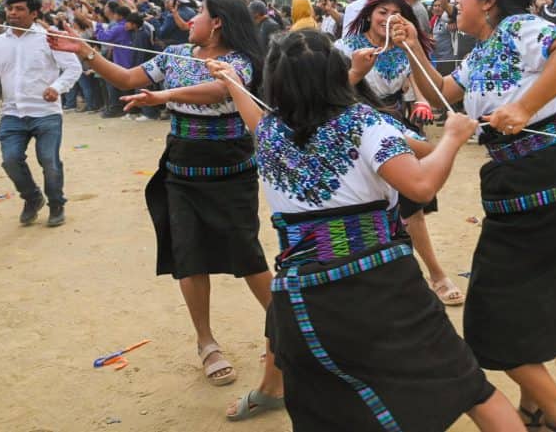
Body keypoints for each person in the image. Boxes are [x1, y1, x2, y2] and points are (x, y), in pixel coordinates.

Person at [206, 30, 523, 431]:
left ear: (275, 81)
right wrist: (454, 137)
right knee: (471, 388)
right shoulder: (364, 122)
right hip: (380, 286)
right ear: (337, 74)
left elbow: (255, 117)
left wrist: (231, 84)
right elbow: (421, 186)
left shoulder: (269, 133)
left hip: (304, 299)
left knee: (338, 413)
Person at [401, 0, 556, 432]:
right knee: (524, 307)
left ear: (489, 0)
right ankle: (535, 409)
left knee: (490, 320)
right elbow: (442, 92)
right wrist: (410, 48)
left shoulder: (521, 27)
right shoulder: (481, 50)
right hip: (518, 186)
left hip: (543, 184)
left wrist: (523, 106)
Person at [49, 0, 273, 389]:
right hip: (181, 170)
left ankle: (284, 333)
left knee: (249, 256)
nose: (192, 21)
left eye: (199, 14)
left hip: (231, 172)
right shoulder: (174, 55)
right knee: (189, 257)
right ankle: (207, 343)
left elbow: (217, 91)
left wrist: (165, 96)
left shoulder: (240, 62)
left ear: (217, 22)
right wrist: (86, 53)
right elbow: (129, 79)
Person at [336, 0, 465, 306]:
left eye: (397, 13)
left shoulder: (406, 48)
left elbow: (420, 85)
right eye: (383, 11)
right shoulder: (343, 48)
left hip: (396, 123)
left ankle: (435, 274)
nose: (389, 18)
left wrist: (421, 103)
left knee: (413, 207)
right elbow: (331, 94)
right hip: (355, 128)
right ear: (369, 14)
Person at [0, 0, 82, 227]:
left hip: (46, 112)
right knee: (10, 160)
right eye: (10, 9)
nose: (12, 13)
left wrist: (56, 87)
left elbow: (73, 68)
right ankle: (32, 198)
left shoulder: (50, 39)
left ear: (34, 13)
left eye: (19, 9)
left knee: (49, 161)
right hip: (12, 113)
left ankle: (56, 204)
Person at [93, 1, 134, 118]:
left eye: (115, 14)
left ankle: (124, 110)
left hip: (122, 59)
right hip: (128, 57)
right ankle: (127, 110)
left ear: (120, 16)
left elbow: (103, 38)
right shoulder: (128, 24)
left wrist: (99, 25)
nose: (114, 16)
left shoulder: (119, 28)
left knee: (121, 85)